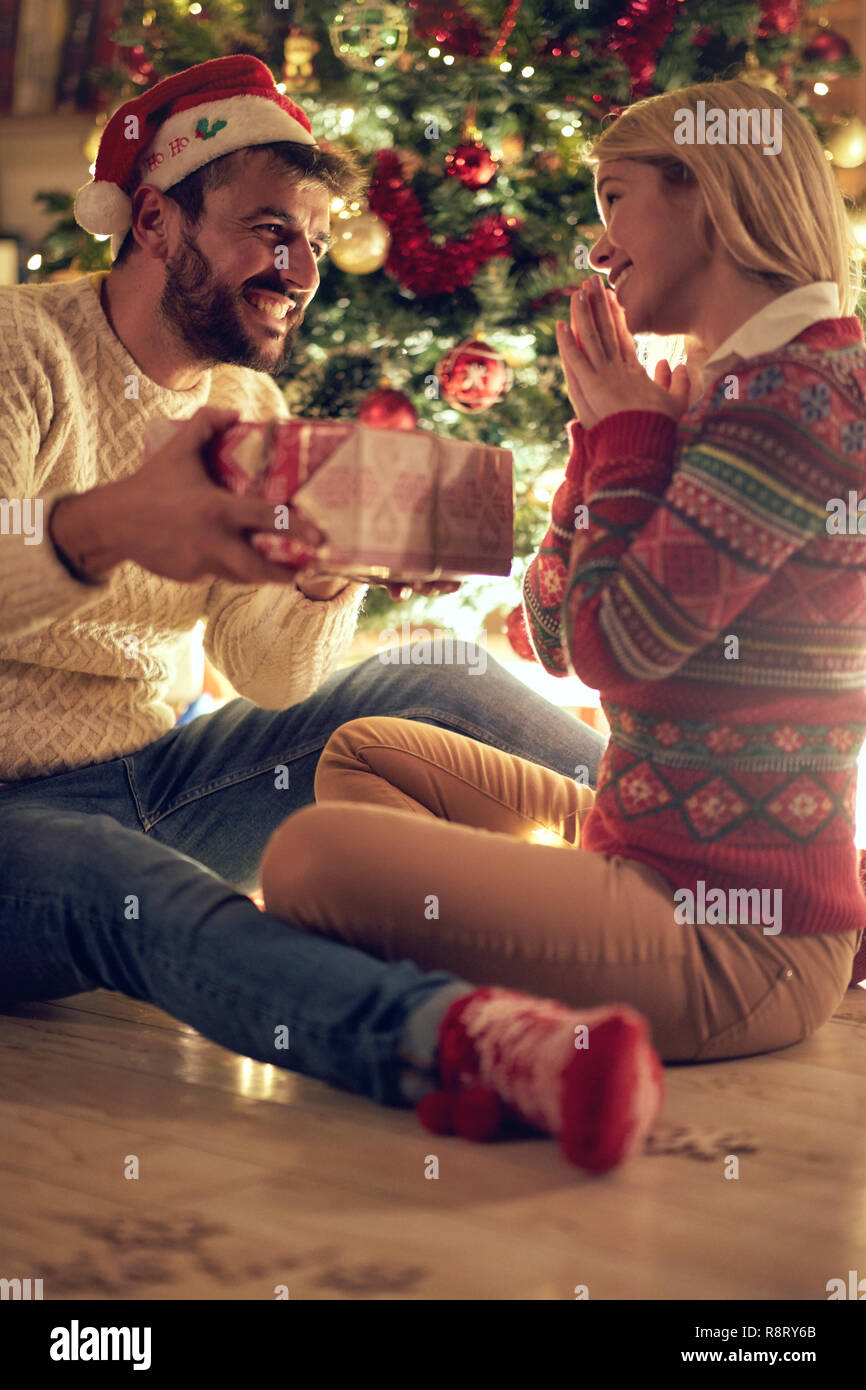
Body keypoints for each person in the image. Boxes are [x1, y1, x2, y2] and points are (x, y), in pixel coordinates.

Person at [0, 55, 661, 1175]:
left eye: (311, 240)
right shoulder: (22, 349)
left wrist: (323, 578)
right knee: (122, 882)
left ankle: (707, 850)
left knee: (434, 668)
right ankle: (461, 1041)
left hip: (154, 775)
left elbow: (260, 677)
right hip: (20, 827)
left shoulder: (244, 404)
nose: (301, 268)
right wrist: (100, 526)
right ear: (155, 220)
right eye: (269, 230)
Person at [259, 80, 866, 1124]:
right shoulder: (732, 386)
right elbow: (549, 632)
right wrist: (599, 440)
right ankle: (496, 988)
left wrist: (629, 441)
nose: (597, 248)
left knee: (308, 857)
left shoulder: (800, 394)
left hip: (731, 939)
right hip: (647, 844)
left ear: (707, 196)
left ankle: (480, 1036)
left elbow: (614, 646)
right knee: (365, 752)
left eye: (613, 200)